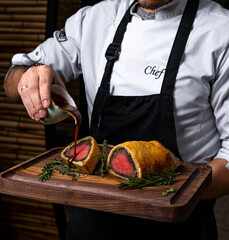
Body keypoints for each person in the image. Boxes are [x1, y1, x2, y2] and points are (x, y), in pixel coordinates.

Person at [4, 0, 229, 239]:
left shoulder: (220, 30)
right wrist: (30, 78)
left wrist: (168, 193)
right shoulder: (94, 19)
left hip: (180, 227)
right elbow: (12, 78)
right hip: (92, 225)